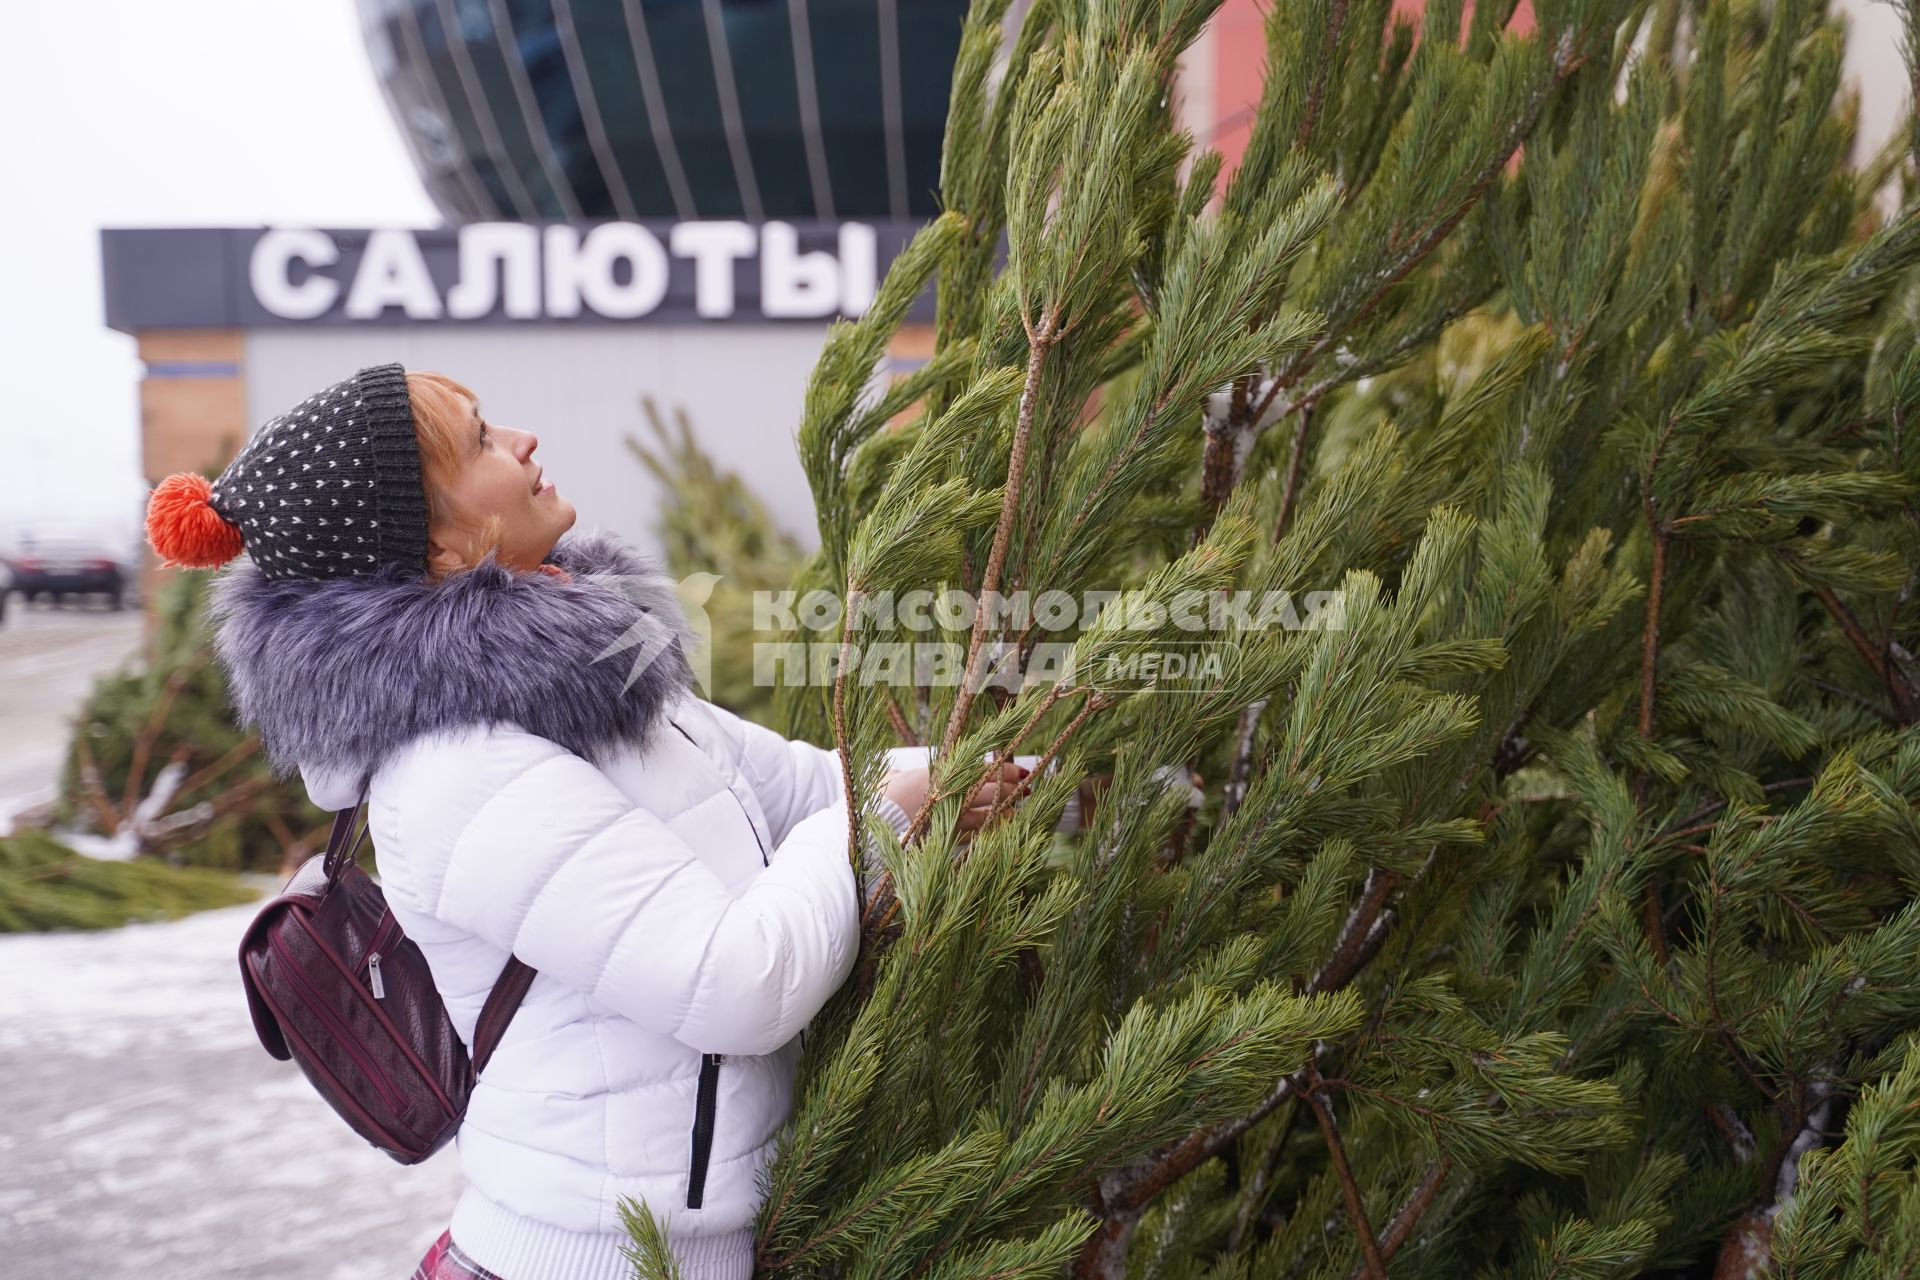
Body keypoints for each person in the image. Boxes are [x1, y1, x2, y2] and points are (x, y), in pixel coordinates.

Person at [142, 363, 1030, 1280]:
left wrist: (1030, 765)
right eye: (483, 441)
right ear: (435, 546)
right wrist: (884, 812)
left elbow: (808, 789)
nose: (522, 440)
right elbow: (736, 984)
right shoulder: (459, 773)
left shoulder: (602, 686)